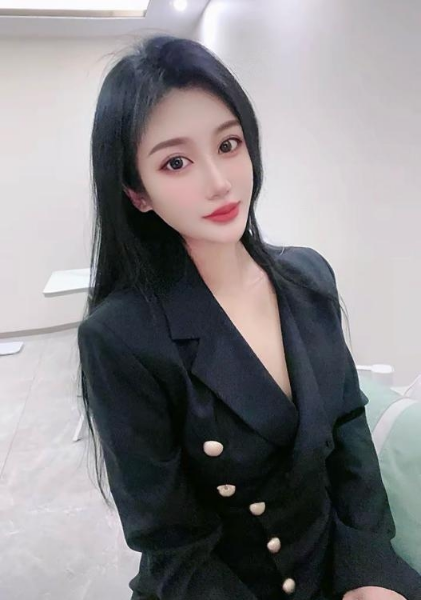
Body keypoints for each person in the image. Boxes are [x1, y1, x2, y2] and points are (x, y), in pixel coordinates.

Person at [76, 34, 421, 600]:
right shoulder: (120, 337)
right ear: (138, 193)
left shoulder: (308, 277)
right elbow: (170, 540)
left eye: (229, 144)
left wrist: (370, 568)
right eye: (177, 162)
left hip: (334, 567)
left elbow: (347, 430)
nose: (219, 182)